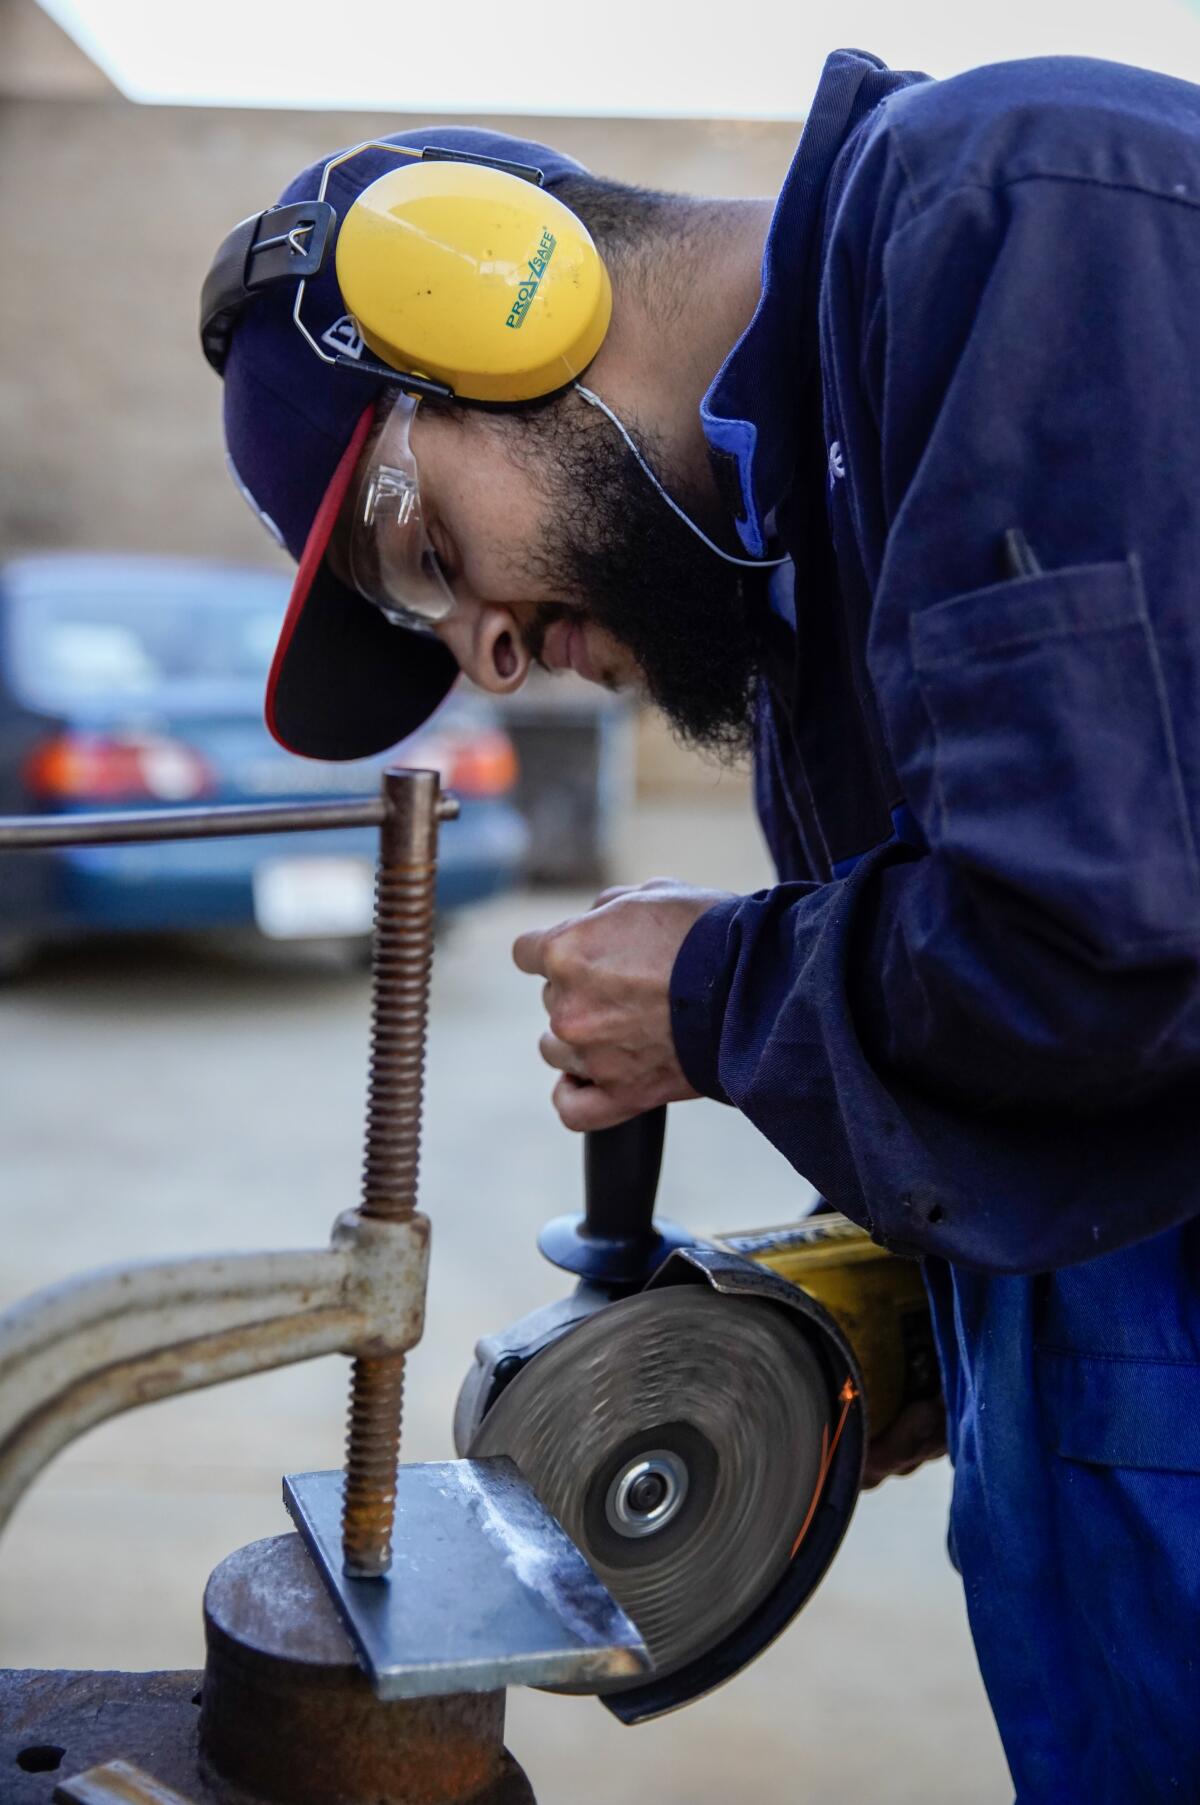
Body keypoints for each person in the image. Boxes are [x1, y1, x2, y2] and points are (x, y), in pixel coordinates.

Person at [203, 48, 1200, 1801]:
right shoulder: (801, 604)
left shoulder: (1011, 220)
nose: (489, 657)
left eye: (421, 552)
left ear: (497, 299)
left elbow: (1096, 942)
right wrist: (897, 1275)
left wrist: (723, 991)